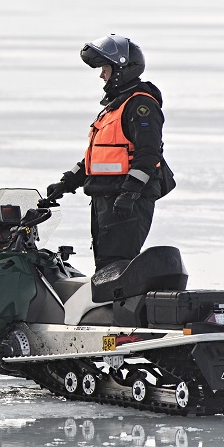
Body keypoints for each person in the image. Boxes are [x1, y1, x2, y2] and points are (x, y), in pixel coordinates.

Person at [44, 34, 175, 272]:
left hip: (126, 202)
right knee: (106, 266)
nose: (102, 75)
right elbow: (99, 157)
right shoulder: (115, 107)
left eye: (105, 68)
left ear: (121, 68)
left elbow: (149, 153)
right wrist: (67, 182)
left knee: (116, 266)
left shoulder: (140, 106)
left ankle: (118, 309)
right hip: (106, 199)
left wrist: (130, 193)